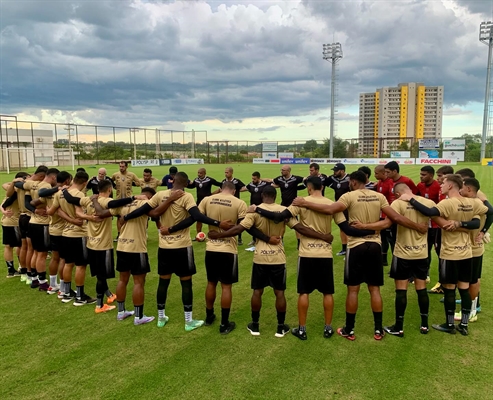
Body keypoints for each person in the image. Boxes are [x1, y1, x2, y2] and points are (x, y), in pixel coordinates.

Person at [292, 171, 428, 341]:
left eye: (350, 182)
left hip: (356, 245)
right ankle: (378, 329)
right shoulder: (379, 197)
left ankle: (349, 329)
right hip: (375, 245)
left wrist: (305, 202)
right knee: (374, 289)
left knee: (353, 289)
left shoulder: (349, 196)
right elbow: (391, 220)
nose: (349, 184)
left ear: (354, 182)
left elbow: (328, 209)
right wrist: (416, 226)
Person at [250, 177, 375, 340]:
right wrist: (370, 232)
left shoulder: (300, 202)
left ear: (308, 188)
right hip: (325, 254)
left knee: (304, 292)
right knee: (327, 293)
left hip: (307, 253)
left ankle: (302, 329)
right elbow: (347, 229)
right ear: (322, 187)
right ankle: (328, 328)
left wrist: (257, 209)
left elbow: (279, 216)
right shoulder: (331, 204)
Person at [209, 185, 336, 338]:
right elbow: (300, 228)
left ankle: (255, 325)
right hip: (278, 257)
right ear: (275, 196)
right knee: (279, 293)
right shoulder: (283, 211)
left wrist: (218, 235)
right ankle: (280, 327)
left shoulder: (254, 210)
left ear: (262, 195)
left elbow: (239, 229)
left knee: (257, 291)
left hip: (260, 256)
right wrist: (323, 236)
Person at [122, 172, 233, 331]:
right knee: (186, 283)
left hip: (164, 247)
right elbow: (196, 216)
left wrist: (125, 218)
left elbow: (145, 210)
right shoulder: (186, 197)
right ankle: (188, 321)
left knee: (163, 282)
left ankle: (161, 318)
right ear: (187, 183)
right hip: (182, 247)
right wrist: (218, 223)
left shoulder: (160, 194)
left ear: (172, 181)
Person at [399, 174, 493, 336]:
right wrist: (465, 225)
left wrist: (411, 199)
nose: (440, 186)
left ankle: (449, 324)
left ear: (450, 186)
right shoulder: (473, 202)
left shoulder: (447, 203)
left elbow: (428, 211)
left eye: (443, 183)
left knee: (450, 289)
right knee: (464, 288)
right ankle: (464, 324)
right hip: (467, 252)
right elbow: (480, 219)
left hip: (450, 253)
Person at [351, 183, 438, 336]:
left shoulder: (397, 203)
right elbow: (439, 221)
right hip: (422, 252)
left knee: (401, 289)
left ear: (398, 194)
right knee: (421, 288)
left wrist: (364, 226)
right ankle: (424, 325)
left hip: (403, 252)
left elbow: (386, 223)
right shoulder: (428, 203)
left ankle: (399, 326)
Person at [63, 180, 145, 313]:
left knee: (99, 274)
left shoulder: (87, 199)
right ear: (109, 189)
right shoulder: (105, 201)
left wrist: (64, 190)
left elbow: (71, 199)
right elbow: (114, 204)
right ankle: (99, 305)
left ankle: (109, 295)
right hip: (103, 245)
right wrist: (134, 197)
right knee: (102, 276)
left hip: (91, 243)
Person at [48, 171, 95, 305]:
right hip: (78, 233)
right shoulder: (79, 195)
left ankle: (66, 293)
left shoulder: (59, 193)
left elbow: (53, 211)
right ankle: (80, 297)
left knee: (68, 263)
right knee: (81, 265)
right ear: (85, 182)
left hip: (65, 233)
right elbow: (79, 214)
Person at [15, 168, 59, 291]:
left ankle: (34, 278)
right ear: (53, 177)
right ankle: (43, 283)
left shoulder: (32, 184)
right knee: (42, 254)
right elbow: (43, 195)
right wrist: (58, 189)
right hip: (42, 223)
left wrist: (34, 210)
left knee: (35, 251)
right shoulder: (46, 186)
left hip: (32, 221)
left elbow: (27, 202)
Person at [454, 178, 491, 323]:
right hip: (471, 248)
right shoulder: (472, 203)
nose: (460, 190)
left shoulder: (476, 203)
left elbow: (491, 212)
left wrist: (483, 231)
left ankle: (471, 311)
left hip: (473, 249)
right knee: (471, 280)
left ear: (468, 189)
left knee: (472, 280)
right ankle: (471, 308)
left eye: (462, 187)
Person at [31, 171, 72, 294]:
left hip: (52, 228)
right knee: (64, 259)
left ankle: (53, 285)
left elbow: (34, 202)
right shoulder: (62, 193)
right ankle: (64, 289)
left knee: (55, 258)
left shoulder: (49, 193)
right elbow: (60, 210)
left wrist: (36, 210)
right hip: (62, 230)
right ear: (67, 181)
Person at [427, 165, 454, 294]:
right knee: (441, 254)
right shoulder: (442, 189)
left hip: (445, 228)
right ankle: (444, 282)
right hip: (439, 227)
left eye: (440, 176)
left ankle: (444, 284)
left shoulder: (451, 192)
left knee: (444, 255)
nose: (438, 179)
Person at [416, 166, 441, 283]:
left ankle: (443, 280)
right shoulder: (419, 186)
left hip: (436, 226)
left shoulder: (438, 187)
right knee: (424, 250)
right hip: (424, 224)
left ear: (431, 175)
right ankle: (425, 275)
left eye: (424, 174)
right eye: (421, 174)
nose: (421, 176)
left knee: (439, 251)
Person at [1, 172, 29, 277]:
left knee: (9, 246)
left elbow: (2, 203)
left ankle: (12, 269)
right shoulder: (19, 190)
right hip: (14, 221)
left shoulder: (11, 189)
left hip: (6, 221)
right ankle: (21, 267)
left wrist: (13, 182)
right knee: (20, 245)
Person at [187, 167, 221, 238]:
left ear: (205, 173)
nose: (199, 174)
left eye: (200, 173)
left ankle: (215, 234)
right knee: (198, 219)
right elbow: (191, 186)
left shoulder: (209, 180)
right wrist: (185, 183)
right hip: (199, 203)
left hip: (208, 203)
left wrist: (216, 192)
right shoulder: (196, 180)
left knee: (212, 218)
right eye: (198, 173)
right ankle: (198, 235)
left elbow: (219, 184)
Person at [326, 163, 350, 256]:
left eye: (336, 171)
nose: (334, 172)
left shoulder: (350, 179)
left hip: (348, 207)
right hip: (338, 206)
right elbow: (323, 182)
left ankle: (350, 248)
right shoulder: (333, 178)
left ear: (342, 171)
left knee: (349, 227)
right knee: (342, 227)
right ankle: (344, 248)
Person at [220, 167, 247, 245]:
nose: (225, 174)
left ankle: (239, 238)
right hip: (225, 203)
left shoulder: (236, 181)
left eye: (227, 172)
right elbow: (221, 190)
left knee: (238, 221)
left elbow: (244, 187)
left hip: (235, 204)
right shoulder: (223, 181)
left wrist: (237, 191)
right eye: (225, 172)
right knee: (226, 220)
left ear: (231, 173)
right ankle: (226, 235)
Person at [374, 165, 393, 266]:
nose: (375, 175)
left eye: (376, 173)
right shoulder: (380, 182)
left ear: (383, 173)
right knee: (382, 237)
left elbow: (391, 199)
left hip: (387, 214)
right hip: (380, 213)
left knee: (390, 238)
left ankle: (394, 261)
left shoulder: (390, 183)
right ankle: (383, 259)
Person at [245, 172, 268, 246]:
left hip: (261, 207)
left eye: (254, 179)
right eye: (252, 178)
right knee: (253, 224)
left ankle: (263, 239)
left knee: (261, 224)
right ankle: (254, 240)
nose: (253, 180)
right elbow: (245, 188)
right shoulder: (251, 184)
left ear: (258, 178)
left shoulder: (264, 184)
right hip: (252, 208)